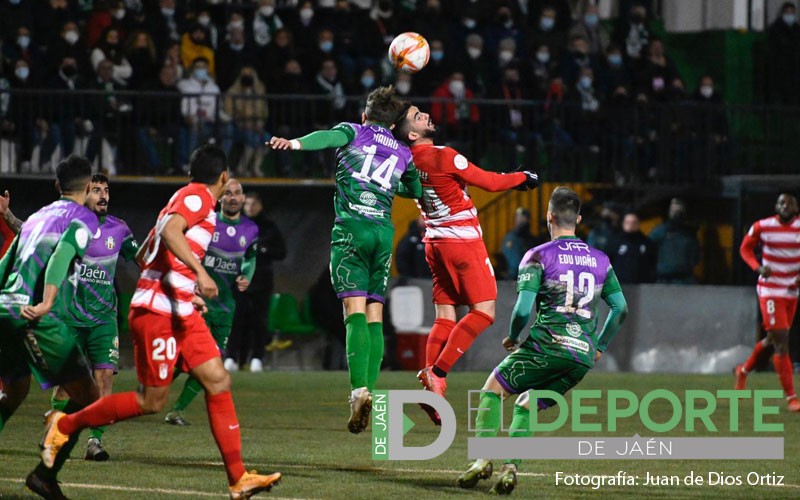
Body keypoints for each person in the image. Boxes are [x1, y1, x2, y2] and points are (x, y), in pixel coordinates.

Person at [39, 145, 282, 499]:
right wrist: (199, 273)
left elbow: (147, 250)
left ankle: (238, 477)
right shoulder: (198, 197)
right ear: (223, 178)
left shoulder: (182, 197)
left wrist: (183, 285)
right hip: (159, 312)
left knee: (217, 379)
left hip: (179, 307)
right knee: (152, 400)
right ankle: (65, 424)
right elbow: (169, 231)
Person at [268, 86, 422, 434]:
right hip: (383, 233)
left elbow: (325, 137)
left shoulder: (354, 131)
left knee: (353, 311)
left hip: (352, 229)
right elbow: (414, 189)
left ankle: (358, 392)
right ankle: (372, 391)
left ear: (365, 116)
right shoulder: (402, 151)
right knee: (375, 313)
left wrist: (294, 144)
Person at [457, 187, 628, 495]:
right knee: (527, 403)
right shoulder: (601, 260)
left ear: (549, 217)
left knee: (492, 390)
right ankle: (510, 469)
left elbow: (523, 309)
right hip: (581, 357)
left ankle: (482, 459)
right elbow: (620, 308)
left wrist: (513, 337)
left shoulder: (538, 256)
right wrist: (599, 346)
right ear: (577, 218)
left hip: (547, 345)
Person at [392, 102, 539, 425]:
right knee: (484, 312)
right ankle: (438, 372)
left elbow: (406, 190)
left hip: (434, 243)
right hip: (462, 244)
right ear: (413, 133)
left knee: (445, 315)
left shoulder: (406, 163)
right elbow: (488, 181)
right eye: (419, 117)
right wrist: (521, 177)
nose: (427, 115)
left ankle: (434, 391)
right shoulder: (443, 156)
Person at [0, 155, 102, 499]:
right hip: (33, 315)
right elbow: (61, 256)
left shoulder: (36, 218)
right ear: (88, 187)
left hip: (4, 308)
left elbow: (5, 262)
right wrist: (45, 302)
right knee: (89, 398)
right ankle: (46, 474)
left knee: (14, 391)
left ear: (57, 186)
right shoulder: (84, 218)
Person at [45, 174, 138, 462]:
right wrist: (7, 215)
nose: (103, 195)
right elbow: (29, 233)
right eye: (96, 190)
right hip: (69, 317)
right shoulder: (67, 225)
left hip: (103, 319)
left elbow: (143, 259)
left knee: (104, 378)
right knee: (65, 385)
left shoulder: (120, 229)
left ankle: (94, 442)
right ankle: (55, 434)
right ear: (84, 194)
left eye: (106, 190)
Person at [166, 178, 258, 426]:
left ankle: (177, 411)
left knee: (212, 361)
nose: (232, 197)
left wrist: (246, 276)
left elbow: (250, 257)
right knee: (182, 359)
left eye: (237, 193)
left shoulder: (250, 229)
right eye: (227, 193)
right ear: (220, 197)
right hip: (199, 304)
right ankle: (150, 395)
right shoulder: (206, 222)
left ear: (243, 197)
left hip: (226, 307)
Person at [735, 193, 800, 412]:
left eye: (789, 202)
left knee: (773, 338)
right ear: (775, 206)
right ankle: (792, 397)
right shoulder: (763, 226)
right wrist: (758, 268)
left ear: (796, 207)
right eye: (781, 202)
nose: (785, 206)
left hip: (792, 291)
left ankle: (743, 371)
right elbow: (745, 248)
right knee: (782, 341)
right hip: (770, 290)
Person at [226, 191, 287, 373]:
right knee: (236, 320)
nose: (250, 208)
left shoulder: (269, 227)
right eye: (247, 204)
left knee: (259, 321)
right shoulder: (236, 224)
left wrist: (262, 249)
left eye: (254, 204)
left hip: (262, 280)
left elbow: (281, 252)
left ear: (260, 206)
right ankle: (231, 357)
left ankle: (257, 359)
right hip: (239, 279)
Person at [649, 197, 701, 283]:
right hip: (663, 279)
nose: (676, 214)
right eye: (674, 211)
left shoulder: (689, 234)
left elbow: (696, 256)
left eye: (679, 211)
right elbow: (649, 251)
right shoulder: (660, 231)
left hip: (684, 280)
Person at [608, 210, 656, 284]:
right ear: (623, 223)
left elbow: (652, 262)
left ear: (638, 224)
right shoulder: (615, 241)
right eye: (627, 222)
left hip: (642, 286)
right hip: (619, 285)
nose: (630, 225)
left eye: (634, 222)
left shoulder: (646, 242)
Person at [502, 207, 539, 280]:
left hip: (528, 277)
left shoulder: (532, 239)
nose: (520, 220)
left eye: (523, 217)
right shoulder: (511, 237)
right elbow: (512, 260)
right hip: (513, 277)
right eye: (518, 217)